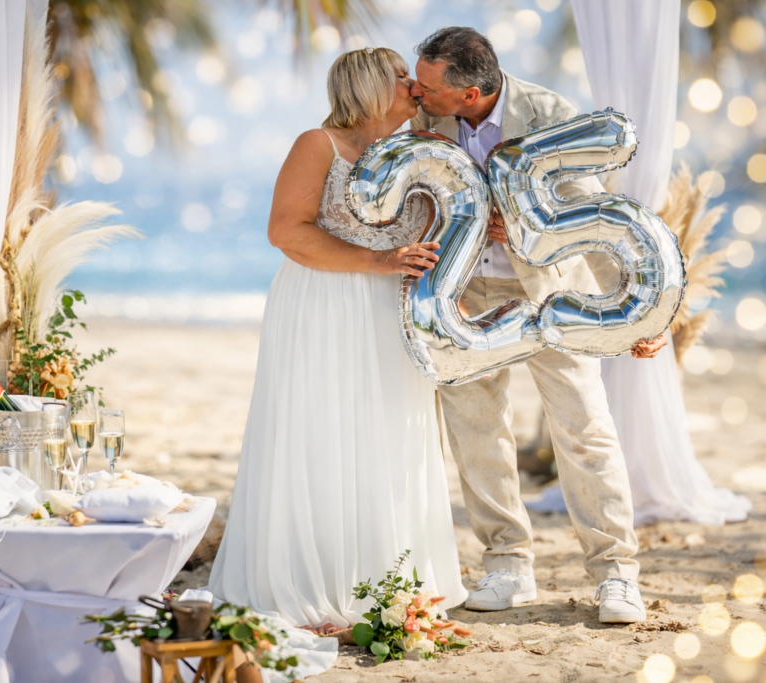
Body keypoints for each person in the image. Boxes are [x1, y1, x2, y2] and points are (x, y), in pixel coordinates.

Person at [407, 26, 666, 624]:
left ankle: (615, 575)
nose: (417, 94)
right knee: (476, 430)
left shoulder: (549, 114)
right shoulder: (424, 124)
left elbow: (592, 216)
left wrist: (637, 313)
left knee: (584, 427)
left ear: (469, 93)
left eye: (429, 86)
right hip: (464, 294)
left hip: (553, 291)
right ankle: (508, 563)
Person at [209, 47, 469, 633]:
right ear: (371, 88)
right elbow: (285, 231)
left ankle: (391, 580)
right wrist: (375, 260)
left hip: (391, 309)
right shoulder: (317, 145)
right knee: (320, 431)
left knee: (391, 435)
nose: (414, 85)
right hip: (325, 304)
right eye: (402, 78)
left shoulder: (422, 147)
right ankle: (313, 580)